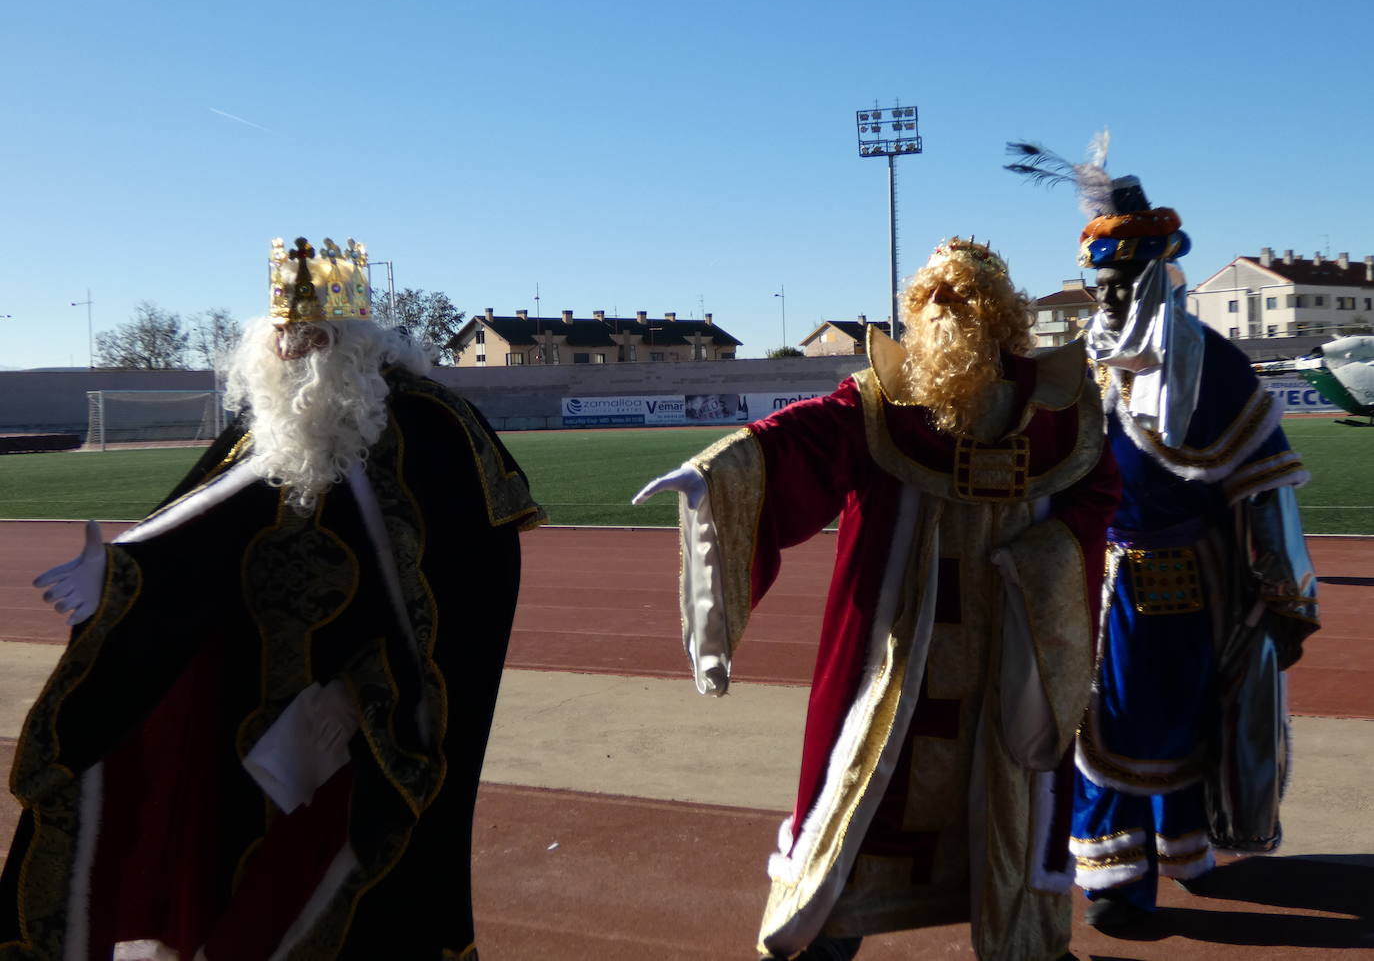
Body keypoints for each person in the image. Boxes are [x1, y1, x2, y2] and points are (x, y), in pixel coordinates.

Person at [0, 236, 544, 961]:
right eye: (282, 332)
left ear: (352, 337)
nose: (291, 347)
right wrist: (126, 576)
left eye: (310, 334)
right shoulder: (277, 416)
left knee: (346, 890)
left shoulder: (428, 427)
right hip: (254, 695)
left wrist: (379, 689)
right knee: (241, 879)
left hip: (365, 711)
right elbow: (210, 515)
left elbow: (463, 577)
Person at [634, 238, 1120, 961]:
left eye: (963, 302)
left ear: (999, 317)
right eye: (937, 302)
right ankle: (825, 933)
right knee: (863, 786)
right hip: (899, 655)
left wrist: (1041, 564)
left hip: (1012, 655)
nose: (950, 318)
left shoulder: (1060, 407)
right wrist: (724, 469)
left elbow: (1097, 495)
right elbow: (803, 442)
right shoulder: (882, 404)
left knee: (1010, 790)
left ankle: (1028, 940)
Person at [1007, 142, 1320, 929]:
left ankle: (1181, 846)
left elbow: (1265, 482)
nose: (1106, 301)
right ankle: (1120, 876)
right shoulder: (1083, 364)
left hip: (1200, 581)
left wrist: (1285, 593)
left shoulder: (1213, 368)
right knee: (1101, 719)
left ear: (1151, 277)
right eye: (1097, 286)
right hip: (1106, 576)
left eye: (1120, 285)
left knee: (1183, 719)